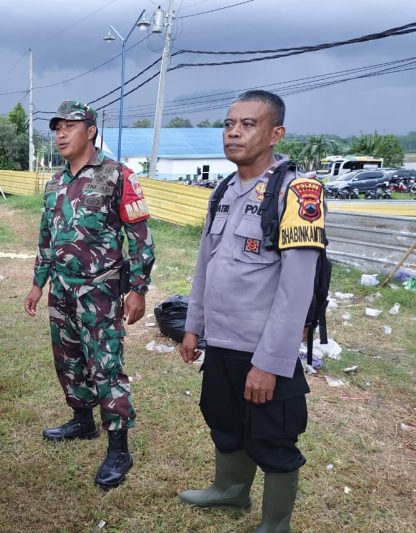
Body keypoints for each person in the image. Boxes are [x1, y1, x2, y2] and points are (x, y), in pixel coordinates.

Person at [179, 90, 325, 532]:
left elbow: (297, 287)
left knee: (273, 436)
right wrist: (193, 326)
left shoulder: (298, 191)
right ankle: (230, 491)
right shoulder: (224, 188)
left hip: (262, 346)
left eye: (248, 124)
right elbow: (207, 263)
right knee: (223, 419)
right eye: (229, 124)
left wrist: (271, 362)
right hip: (221, 340)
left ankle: (274, 524)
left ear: (275, 133)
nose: (234, 132)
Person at [23, 100, 155, 490]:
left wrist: (137, 289)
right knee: (67, 358)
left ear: (91, 130)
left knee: (106, 366)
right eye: (57, 128)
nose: (60, 134)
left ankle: (119, 447)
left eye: (69, 126)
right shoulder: (56, 182)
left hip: (100, 290)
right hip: (61, 288)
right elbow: (47, 237)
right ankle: (82, 421)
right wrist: (37, 282)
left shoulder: (118, 176)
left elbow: (141, 239)